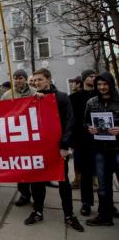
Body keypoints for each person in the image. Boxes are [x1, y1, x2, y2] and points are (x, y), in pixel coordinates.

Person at [24, 68, 84, 232]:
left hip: (58, 149)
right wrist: (36, 102)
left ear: (49, 80)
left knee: (63, 182)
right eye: (34, 81)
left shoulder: (62, 97)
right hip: (39, 149)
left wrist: (65, 146)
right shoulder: (33, 99)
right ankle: (37, 211)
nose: (36, 83)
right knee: (37, 182)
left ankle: (69, 215)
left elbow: (70, 122)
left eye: (40, 80)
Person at [84, 72, 119, 226]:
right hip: (100, 149)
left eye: (105, 84)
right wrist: (89, 128)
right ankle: (105, 215)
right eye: (99, 85)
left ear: (111, 84)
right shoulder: (92, 102)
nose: (102, 87)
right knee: (103, 186)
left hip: (118, 148)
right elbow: (84, 122)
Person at [1, 69, 37, 207]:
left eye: (20, 78)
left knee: (33, 168)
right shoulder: (7, 95)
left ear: (26, 79)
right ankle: (24, 194)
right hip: (16, 137)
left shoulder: (34, 93)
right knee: (21, 167)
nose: (17, 80)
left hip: (32, 136)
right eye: (15, 78)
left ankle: (36, 194)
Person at [69, 69, 97, 216]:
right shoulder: (74, 98)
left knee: (101, 174)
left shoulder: (102, 96)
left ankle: (107, 203)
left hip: (100, 141)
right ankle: (86, 203)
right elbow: (70, 120)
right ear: (84, 79)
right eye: (91, 76)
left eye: (95, 76)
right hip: (81, 141)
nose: (93, 79)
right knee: (85, 174)